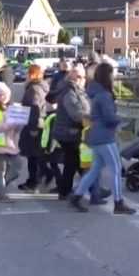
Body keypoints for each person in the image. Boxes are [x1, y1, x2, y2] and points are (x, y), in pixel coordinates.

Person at [69, 63, 136, 215]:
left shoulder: (95, 92)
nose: (114, 76)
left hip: (96, 135)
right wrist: (122, 120)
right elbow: (109, 118)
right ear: (108, 76)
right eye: (112, 74)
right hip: (105, 136)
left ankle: (77, 196)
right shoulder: (104, 95)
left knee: (94, 170)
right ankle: (118, 203)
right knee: (116, 168)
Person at [51, 65, 90, 200]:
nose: (82, 79)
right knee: (74, 162)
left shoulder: (76, 89)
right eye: (79, 76)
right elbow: (75, 113)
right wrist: (90, 118)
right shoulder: (69, 91)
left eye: (83, 77)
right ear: (72, 76)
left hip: (71, 131)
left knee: (73, 162)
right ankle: (87, 189)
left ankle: (66, 190)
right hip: (69, 132)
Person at [0, 82, 23, 202]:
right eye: (3, 95)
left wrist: (19, 124)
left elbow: (14, 129)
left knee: (17, 167)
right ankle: (0, 194)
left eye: (7, 94)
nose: (6, 97)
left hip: (10, 144)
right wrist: (7, 126)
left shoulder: (8, 107)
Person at [18, 64, 51, 193]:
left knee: (33, 156)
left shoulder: (34, 89)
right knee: (36, 155)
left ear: (33, 74)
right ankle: (39, 177)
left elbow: (34, 108)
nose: (27, 75)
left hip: (34, 125)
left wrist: (33, 127)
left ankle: (34, 181)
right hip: (37, 124)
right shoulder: (37, 87)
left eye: (29, 73)